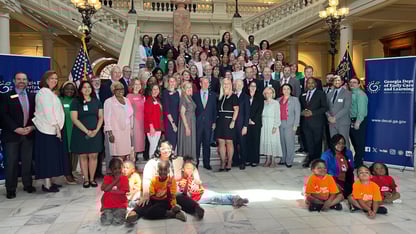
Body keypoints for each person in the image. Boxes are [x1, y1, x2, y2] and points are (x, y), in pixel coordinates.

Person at [1, 72, 36, 198]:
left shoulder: (33, 96)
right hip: (12, 135)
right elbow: (3, 115)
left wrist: (31, 127)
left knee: (27, 162)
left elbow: (36, 115)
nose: (22, 81)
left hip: (28, 134)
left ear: (27, 81)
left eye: (24, 79)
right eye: (19, 79)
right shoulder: (5, 96)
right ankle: (10, 188)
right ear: (14, 81)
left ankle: (27, 184)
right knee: (11, 163)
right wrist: (16, 128)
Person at [32, 70, 65, 193]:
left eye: (56, 78)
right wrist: (56, 127)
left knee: (51, 157)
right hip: (47, 130)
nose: (54, 81)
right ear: (46, 80)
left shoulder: (49, 93)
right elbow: (48, 112)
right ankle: (46, 185)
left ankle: (49, 182)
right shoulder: (43, 93)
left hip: (51, 129)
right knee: (47, 158)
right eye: (52, 78)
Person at [71, 81, 104, 188]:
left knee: (94, 155)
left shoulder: (96, 101)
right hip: (81, 133)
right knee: (83, 155)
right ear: (80, 89)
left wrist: (96, 130)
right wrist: (87, 131)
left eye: (89, 87)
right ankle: (86, 179)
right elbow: (74, 119)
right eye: (84, 87)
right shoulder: (76, 102)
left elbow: (101, 117)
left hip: (95, 132)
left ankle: (92, 179)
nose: (87, 89)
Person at [300, 78, 328, 168]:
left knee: (317, 142)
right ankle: (310, 159)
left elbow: (324, 108)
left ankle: (317, 161)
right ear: (306, 84)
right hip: (306, 123)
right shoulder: (302, 95)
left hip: (317, 122)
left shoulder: (320, 94)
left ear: (315, 84)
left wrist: (313, 113)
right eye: (308, 83)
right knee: (309, 142)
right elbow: (300, 107)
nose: (310, 84)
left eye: (312, 83)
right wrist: (302, 112)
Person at [104, 81, 134, 163]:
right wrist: (110, 134)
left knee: (125, 154)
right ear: (113, 91)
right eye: (118, 89)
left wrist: (131, 128)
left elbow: (130, 114)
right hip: (116, 132)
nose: (121, 90)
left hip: (126, 132)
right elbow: (107, 119)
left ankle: (122, 173)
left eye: (122, 89)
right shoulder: (108, 102)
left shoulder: (127, 100)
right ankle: (116, 173)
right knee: (118, 156)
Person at [321, 134, 355, 204]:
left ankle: (330, 204)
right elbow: (323, 172)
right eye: (338, 143)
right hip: (332, 179)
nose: (341, 145)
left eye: (343, 143)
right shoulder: (327, 155)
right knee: (337, 193)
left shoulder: (348, 153)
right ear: (333, 143)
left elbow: (352, 168)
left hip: (347, 179)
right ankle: (328, 204)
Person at [193, 77, 217, 170]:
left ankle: (207, 163)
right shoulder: (195, 95)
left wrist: (214, 122)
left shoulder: (213, 95)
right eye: (204, 83)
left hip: (208, 123)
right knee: (197, 144)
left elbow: (215, 110)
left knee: (207, 144)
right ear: (200, 84)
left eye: (207, 83)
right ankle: (196, 163)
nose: (206, 85)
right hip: (198, 124)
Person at [216, 77, 239, 171]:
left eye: (228, 83)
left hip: (229, 121)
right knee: (221, 142)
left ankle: (229, 162)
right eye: (224, 83)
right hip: (220, 121)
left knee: (229, 142)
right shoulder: (220, 97)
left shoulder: (234, 96)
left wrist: (233, 121)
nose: (226, 85)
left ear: (231, 85)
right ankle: (222, 162)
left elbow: (236, 110)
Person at [59, 81, 78, 184]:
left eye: (72, 89)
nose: (69, 91)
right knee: (66, 153)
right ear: (63, 90)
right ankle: (67, 174)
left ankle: (71, 171)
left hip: (75, 130)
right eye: (67, 89)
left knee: (73, 153)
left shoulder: (76, 101)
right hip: (64, 130)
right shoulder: (59, 100)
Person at [100, 158, 129, 226]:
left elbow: (123, 192)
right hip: (108, 206)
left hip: (120, 206)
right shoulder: (107, 178)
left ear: (122, 168)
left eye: (119, 168)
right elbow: (105, 189)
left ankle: (117, 215)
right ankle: (107, 214)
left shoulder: (124, 178)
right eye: (115, 169)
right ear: (110, 170)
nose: (118, 170)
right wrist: (116, 180)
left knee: (118, 221)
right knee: (106, 221)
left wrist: (110, 190)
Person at [278, 84, 300, 168]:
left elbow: (297, 113)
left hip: (290, 124)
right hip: (280, 123)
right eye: (284, 89)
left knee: (289, 143)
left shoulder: (295, 100)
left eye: (288, 89)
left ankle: (289, 160)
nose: (286, 90)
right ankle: (283, 159)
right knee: (282, 142)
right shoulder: (278, 99)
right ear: (282, 90)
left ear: (290, 90)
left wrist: (296, 125)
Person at [326, 75, 352, 149]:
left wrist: (335, 117)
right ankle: (336, 159)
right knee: (334, 142)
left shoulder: (347, 93)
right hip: (331, 123)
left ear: (342, 82)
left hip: (342, 122)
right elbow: (326, 108)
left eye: (338, 80)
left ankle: (346, 159)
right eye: (335, 80)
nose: (336, 82)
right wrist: (328, 117)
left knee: (344, 141)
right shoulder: (329, 94)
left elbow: (346, 108)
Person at [260, 87, 282, 167]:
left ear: (273, 94)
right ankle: (268, 159)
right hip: (264, 124)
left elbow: (277, 115)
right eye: (266, 93)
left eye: (270, 93)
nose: (268, 94)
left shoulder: (275, 103)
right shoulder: (263, 102)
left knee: (273, 141)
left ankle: (273, 160)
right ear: (264, 94)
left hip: (272, 123)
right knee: (266, 141)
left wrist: (275, 126)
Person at [349, 77, 368, 168]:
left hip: (358, 121)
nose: (352, 84)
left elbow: (362, 110)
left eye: (354, 82)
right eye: (351, 82)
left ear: (359, 84)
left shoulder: (361, 95)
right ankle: (356, 161)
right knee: (355, 142)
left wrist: (358, 122)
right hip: (351, 120)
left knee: (359, 143)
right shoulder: (350, 94)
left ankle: (359, 163)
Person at [246, 81, 264, 167]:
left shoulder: (260, 97)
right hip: (246, 122)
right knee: (247, 141)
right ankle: (248, 159)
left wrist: (252, 120)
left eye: (254, 86)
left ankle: (255, 160)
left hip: (256, 122)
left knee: (255, 141)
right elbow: (244, 109)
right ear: (248, 87)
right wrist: (247, 119)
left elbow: (260, 110)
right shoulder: (245, 96)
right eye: (251, 86)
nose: (253, 87)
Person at [232, 79, 250, 170]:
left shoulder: (246, 97)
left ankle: (243, 162)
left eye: (240, 84)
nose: (238, 86)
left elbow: (247, 113)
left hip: (242, 125)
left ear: (243, 86)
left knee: (242, 144)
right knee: (234, 143)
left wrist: (245, 126)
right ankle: (235, 161)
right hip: (233, 125)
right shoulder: (232, 96)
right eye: (236, 84)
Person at [177, 82, 197, 158]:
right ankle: (185, 161)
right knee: (187, 142)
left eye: (190, 87)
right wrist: (187, 127)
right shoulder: (183, 98)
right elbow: (182, 113)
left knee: (190, 141)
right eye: (187, 88)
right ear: (184, 89)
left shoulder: (189, 98)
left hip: (191, 122)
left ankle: (190, 161)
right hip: (186, 123)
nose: (189, 89)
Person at [127, 78, 146, 159]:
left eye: (139, 84)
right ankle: (131, 165)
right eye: (135, 84)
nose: (137, 86)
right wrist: (130, 126)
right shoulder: (129, 96)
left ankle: (133, 164)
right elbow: (128, 112)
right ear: (132, 85)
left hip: (142, 124)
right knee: (133, 146)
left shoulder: (143, 97)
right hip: (134, 123)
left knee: (138, 145)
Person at [144, 84, 164, 157]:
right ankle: (151, 162)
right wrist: (151, 127)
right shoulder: (149, 100)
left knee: (155, 146)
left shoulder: (158, 100)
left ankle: (154, 162)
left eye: (157, 89)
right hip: (152, 127)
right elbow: (148, 114)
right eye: (154, 89)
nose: (156, 91)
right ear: (151, 91)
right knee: (153, 146)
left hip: (158, 126)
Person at [162, 76, 180, 150]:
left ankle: (172, 159)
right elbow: (167, 109)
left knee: (175, 142)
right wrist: (173, 124)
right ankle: (168, 160)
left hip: (177, 119)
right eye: (170, 81)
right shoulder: (165, 92)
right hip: (169, 121)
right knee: (170, 142)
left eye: (174, 81)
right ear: (168, 83)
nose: (172, 83)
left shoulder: (177, 93)